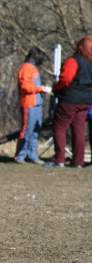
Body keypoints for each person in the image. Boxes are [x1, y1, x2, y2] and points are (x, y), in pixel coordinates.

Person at [44, 37, 92, 169]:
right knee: (78, 130)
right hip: (86, 101)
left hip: (70, 100)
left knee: (59, 127)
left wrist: (56, 87)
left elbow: (65, 79)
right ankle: (78, 161)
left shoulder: (73, 60)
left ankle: (59, 158)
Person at [14, 47, 51, 165]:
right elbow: (25, 86)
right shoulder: (25, 68)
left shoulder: (33, 68)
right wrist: (41, 89)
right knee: (27, 130)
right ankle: (20, 155)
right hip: (28, 103)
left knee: (36, 130)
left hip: (36, 103)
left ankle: (32, 155)